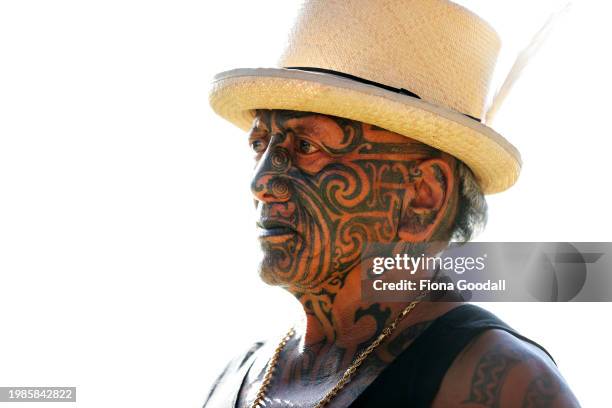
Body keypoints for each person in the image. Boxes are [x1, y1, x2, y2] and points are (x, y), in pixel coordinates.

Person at [204, 0, 580, 406]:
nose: (261, 182)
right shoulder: (240, 376)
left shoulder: (502, 383)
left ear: (423, 196)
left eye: (307, 146)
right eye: (260, 145)